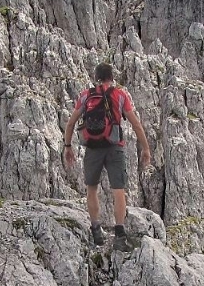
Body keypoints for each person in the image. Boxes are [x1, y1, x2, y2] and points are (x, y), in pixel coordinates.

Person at [62, 63, 151, 245]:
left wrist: (68, 146)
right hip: (115, 147)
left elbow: (71, 123)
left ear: (97, 77)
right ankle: (119, 234)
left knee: (91, 188)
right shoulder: (120, 95)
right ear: (112, 77)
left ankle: (96, 230)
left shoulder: (86, 95)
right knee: (118, 190)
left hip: (92, 148)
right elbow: (136, 124)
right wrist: (146, 149)